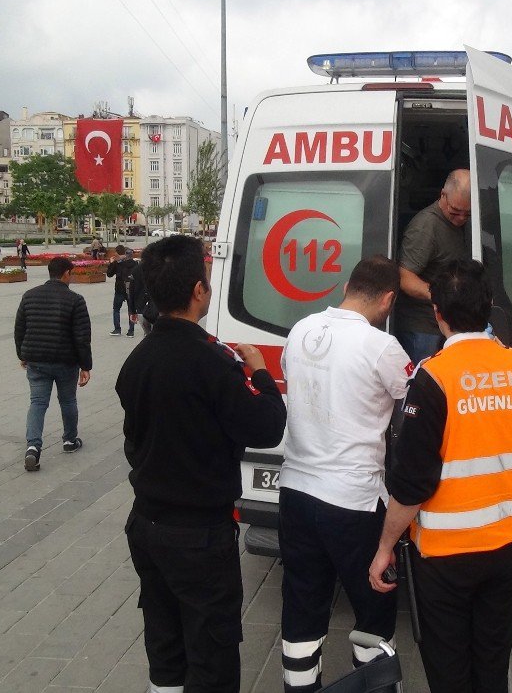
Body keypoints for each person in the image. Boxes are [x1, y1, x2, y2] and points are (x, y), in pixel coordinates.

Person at [368, 258, 512, 693]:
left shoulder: (432, 378)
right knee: (492, 659)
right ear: (490, 306)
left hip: (447, 557)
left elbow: (411, 485)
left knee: (449, 668)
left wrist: (383, 547)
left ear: (437, 313)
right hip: (509, 544)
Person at [116, 234, 286, 693]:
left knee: (165, 645)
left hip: (147, 526)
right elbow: (267, 427)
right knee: (211, 654)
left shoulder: (138, 360)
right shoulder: (215, 364)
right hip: (198, 537)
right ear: (197, 291)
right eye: (208, 282)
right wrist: (261, 374)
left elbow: (135, 442)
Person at [279, 255, 412, 692]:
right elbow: (415, 402)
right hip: (353, 501)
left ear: (346, 287)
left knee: (302, 603)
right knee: (374, 607)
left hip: (296, 492)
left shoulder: (301, 329)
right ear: (388, 299)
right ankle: (373, 685)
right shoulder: (382, 346)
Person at [14, 256, 92, 472]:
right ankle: (69, 440)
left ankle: (33, 447)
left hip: (36, 360)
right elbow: (82, 336)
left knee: (38, 403)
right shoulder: (75, 300)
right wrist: (85, 365)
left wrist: (22, 354)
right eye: (72, 273)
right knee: (67, 401)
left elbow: (19, 328)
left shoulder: (29, 296)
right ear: (66, 273)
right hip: (65, 361)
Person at [395, 168, 472, 365]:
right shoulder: (426, 226)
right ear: (443, 195)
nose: (461, 219)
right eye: (455, 212)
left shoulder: (462, 222)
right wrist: (442, 294)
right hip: (422, 328)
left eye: (468, 214)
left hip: (448, 323)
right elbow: (404, 276)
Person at [107, 244, 137, 337]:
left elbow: (109, 274)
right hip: (130, 289)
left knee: (116, 309)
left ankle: (117, 329)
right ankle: (131, 331)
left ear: (117, 253)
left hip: (119, 289)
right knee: (131, 310)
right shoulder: (134, 263)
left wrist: (111, 263)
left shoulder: (117, 263)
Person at [126, 260, 157, 336]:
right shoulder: (159, 268)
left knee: (147, 334)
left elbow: (131, 291)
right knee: (156, 335)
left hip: (141, 308)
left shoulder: (136, 269)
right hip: (156, 308)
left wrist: (132, 311)